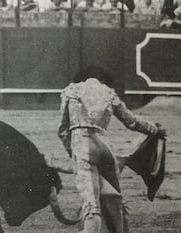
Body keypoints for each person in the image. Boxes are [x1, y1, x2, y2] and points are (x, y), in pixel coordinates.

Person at [57, 66, 163, 233]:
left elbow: (62, 130)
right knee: (117, 202)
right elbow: (131, 121)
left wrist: (74, 155)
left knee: (92, 209)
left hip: (83, 147)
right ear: (102, 79)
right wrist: (155, 130)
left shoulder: (71, 91)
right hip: (106, 149)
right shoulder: (109, 93)